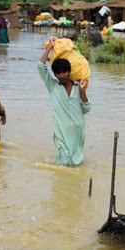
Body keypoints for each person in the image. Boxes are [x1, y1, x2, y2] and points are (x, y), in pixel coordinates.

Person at [37, 38, 90, 166]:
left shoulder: (78, 87)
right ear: (55, 75)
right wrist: (49, 48)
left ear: (69, 72)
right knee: (64, 163)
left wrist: (83, 92)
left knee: (76, 163)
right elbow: (40, 66)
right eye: (58, 73)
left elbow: (86, 109)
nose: (61, 75)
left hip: (77, 132)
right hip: (61, 132)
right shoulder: (53, 86)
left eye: (64, 72)